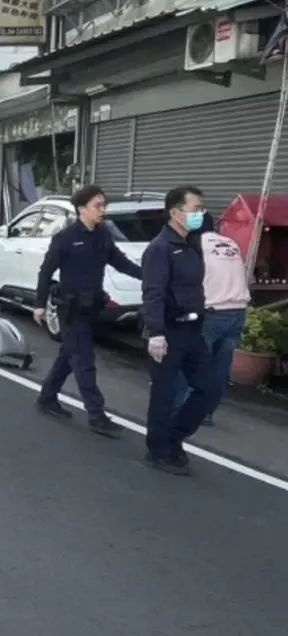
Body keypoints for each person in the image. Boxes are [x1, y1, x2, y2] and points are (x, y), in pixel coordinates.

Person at [33, 184, 141, 437]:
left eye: (104, 205)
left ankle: (47, 398)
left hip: (92, 306)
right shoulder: (66, 237)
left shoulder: (102, 235)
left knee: (68, 357)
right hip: (70, 309)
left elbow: (121, 263)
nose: (103, 210)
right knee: (84, 362)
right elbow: (46, 271)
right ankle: (97, 415)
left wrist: (150, 276)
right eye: (98, 206)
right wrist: (39, 304)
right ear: (82, 209)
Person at [142, 186, 221, 475]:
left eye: (202, 209)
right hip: (169, 331)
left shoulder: (192, 243)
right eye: (195, 209)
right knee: (164, 394)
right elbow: (153, 293)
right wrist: (156, 333)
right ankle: (159, 450)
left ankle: (174, 437)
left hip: (193, 330)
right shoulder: (160, 249)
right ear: (176, 213)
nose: (201, 214)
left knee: (210, 388)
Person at [171, 211, 250, 426]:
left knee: (189, 361)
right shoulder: (230, 243)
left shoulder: (194, 245)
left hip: (211, 313)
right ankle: (206, 411)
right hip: (238, 311)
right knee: (220, 366)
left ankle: (180, 408)